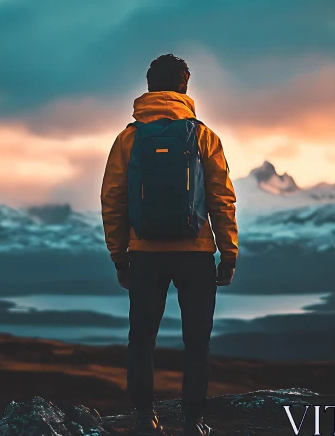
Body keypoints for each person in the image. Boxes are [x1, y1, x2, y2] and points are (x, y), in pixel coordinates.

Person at [100, 54, 239, 436]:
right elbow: (221, 197)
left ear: (147, 87)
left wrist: (118, 255)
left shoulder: (128, 138)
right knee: (196, 341)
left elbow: (112, 198)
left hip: (144, 254)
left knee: (142, 339)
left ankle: (145, 418)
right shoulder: (203, 136)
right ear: (185, 87)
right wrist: (228, 252)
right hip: (195, 253)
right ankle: (194, 422)